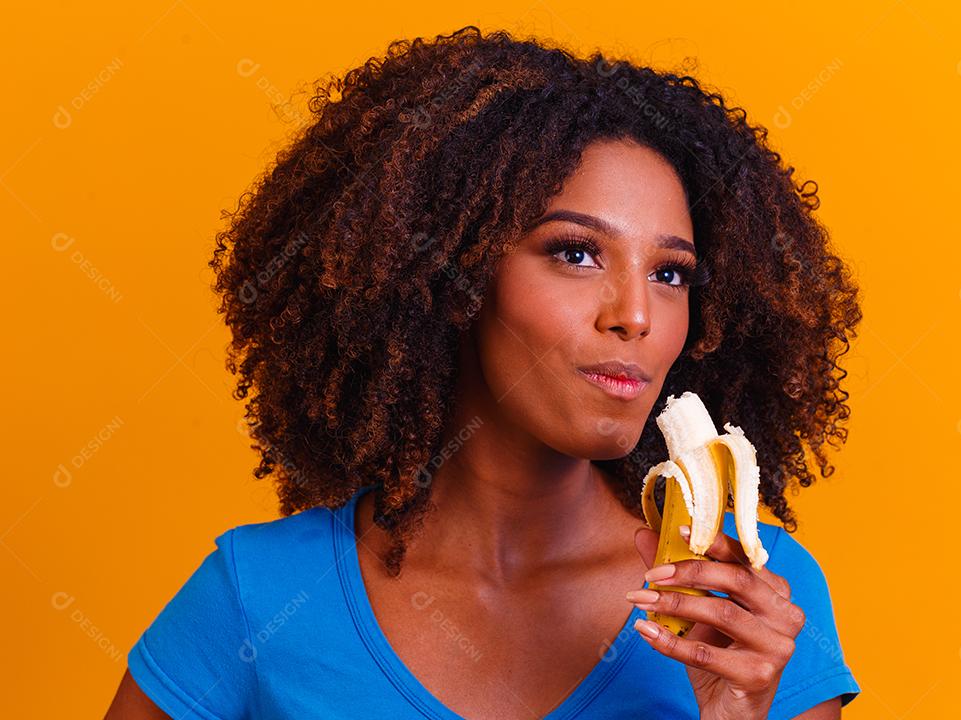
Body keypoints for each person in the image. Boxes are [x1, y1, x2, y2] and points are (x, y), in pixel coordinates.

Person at [105, 25, 863, 720]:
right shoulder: (258, 599)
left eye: (670, 274)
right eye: (575, 254)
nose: (636, 314)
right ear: (451, 274)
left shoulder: (749, 606)